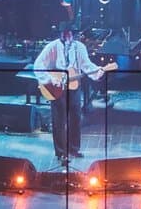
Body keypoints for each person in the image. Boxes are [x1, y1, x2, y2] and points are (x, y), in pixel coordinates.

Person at [33, 24, 115, 162]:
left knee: (75, 117)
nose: (67, 35)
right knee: (59, 119)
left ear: (73, 34)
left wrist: (98, 71)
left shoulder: (80, 47)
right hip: (57, 87)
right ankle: (60, 152)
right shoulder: (52, 47)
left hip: (74, 86)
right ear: (61, 34)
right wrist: (51, 79)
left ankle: (74, 148)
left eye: (69, 33)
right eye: (64, 33)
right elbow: (38, 65)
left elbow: (86, 65)